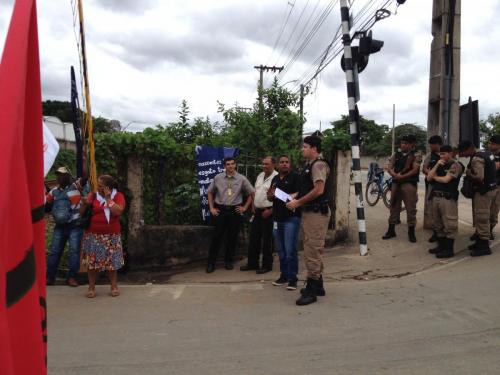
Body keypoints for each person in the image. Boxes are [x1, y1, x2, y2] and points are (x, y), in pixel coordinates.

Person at [287, 135, 331, 306]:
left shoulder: (318, 164)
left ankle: (312, 290)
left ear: (314, 148)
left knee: (313, 250)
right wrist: (295, 196)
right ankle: (318, 284)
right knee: (311, 248)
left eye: (305, 146)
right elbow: (308, 188)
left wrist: (297, 202)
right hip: (309, 212)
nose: (302, 149)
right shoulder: (310, 165)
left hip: (316, 213)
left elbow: (319, 190)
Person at [80, 175, 126, 297]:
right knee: (92, 263)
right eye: (98, 186)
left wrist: (108, 199)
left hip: (112, 235)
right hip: (93, 235)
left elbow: (118, 211)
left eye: (101, 186)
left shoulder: (118, 196)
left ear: (108, 187)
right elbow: (81, 213)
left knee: (112, 262)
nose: (98, 188)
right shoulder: (93, 195)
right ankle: (91, 287)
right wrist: (84, 204)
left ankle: (114, 286)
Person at [207, 157, 254, 273]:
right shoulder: (218, 178)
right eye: (228, 164)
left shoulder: (241, 178)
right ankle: (211, 263)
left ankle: (228, 262)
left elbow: (252, 193)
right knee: (216, 237)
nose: (231, 166)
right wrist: (211, 208)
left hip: (235, 211)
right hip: (220, 210)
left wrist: (245, 207)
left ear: (235, 165)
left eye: (233, 164)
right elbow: (210, 192)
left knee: (232, 237)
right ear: (224, 166)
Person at [46, 166, 84, 287]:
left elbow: (81, 203)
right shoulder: (53, 192)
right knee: (54, 252)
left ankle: (72, 278)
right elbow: (47, 206)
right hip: (60, 226)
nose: (59, 177)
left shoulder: (75, 189)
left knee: (74, 252)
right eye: (58, 175)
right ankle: (49, 277)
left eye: (62, 175)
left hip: (74, 225)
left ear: (68, 176)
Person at [267, 155, 301, 290]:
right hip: (277, 219)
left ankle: (293, 278)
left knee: (290, 250)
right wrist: (270, 196)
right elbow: (271, 198)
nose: (284, 164)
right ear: (277, 165)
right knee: (280, 250)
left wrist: (290, 196)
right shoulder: (275, 179)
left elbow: (301, 192)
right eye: (282, 162)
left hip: (291, 219)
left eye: (287, 162)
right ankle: (284, 275)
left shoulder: (295, 177)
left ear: (290, 164)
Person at [458, 140, 497, 256]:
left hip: (483, 192)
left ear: (470, 148)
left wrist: (469, 173)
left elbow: (479, 177)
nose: (463, 154)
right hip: (491, 189)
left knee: (481, 218)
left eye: (463, 152)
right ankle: (479, 242)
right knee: (484, 216)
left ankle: (484, 246)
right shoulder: (486, 153)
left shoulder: (476, 159)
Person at [240, 156, 278, 274]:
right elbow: (255, 192)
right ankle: (252, 263)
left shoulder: (277, 177)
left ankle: (267, 265)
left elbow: (280, 198)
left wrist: (271, 210)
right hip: (257, 211)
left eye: (267, 164)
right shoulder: (260, 175)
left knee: (267, 240)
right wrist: (253, 205)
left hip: (269, 211)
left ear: (273, 165)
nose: (264, 166)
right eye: (263, 164)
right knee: (254, 238)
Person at [383, 134, 421, 243]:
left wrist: (401, 176)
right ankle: (391, 230)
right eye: (402, 143)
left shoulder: (416, 155)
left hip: (409, 184)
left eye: (406, 143)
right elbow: (389, 167)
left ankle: (411, 233)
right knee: (394, 206)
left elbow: (415, 170)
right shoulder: (397, 154)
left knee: (410, 209)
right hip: (396, 183)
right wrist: (394, 175)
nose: (403, 145)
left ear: (412, 144)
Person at [426, 145, 463, 258]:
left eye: (444, 153)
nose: (442, 156)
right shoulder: (439, 164)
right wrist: (437, 165)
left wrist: (435, 178)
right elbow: (428, 178)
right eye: (441, 154)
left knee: (449, 225)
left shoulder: (456, 165)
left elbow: (446, 180)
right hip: (436, 197)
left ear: (451, 153)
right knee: (438, 224)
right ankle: (441, 247)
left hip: (448, 199)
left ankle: (449, 250)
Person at [422, 135, 443, 240]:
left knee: (442, 210)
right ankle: (435, 232)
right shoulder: (430, 156)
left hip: (444, 186)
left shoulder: (446, 154)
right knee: (433, 209)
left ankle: (442, 232)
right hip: (432, 186)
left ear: (437, 144)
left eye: (432, 145)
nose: (430, 147)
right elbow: (424, 168)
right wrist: (430, 174)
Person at [487, 135, 500, 239]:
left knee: (494, 210)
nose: (490, 145)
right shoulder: (489, 154)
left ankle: (489, 230)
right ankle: (481, 232)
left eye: (492, 143)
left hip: (498, 187)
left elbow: (495, 166)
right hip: (488, 186)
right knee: (484, 210)